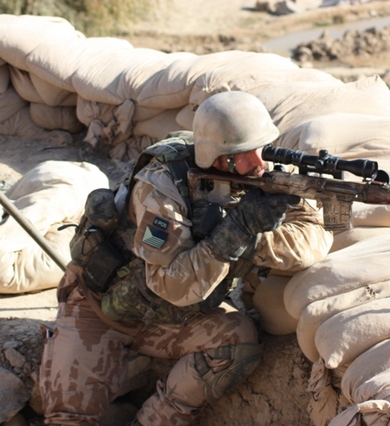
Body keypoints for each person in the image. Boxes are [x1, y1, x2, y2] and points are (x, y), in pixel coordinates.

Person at [39, 91, 333, 425]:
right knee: (68, 419)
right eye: (244, 153)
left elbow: (315, 238)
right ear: (217, 157)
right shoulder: (160, 188)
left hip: (169, 320)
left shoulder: (260, 174)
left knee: (237, 341)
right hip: (100, 308)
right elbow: (171, 285)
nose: (258, 163)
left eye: (261, 147)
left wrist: (252, 239)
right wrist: (235, 231)